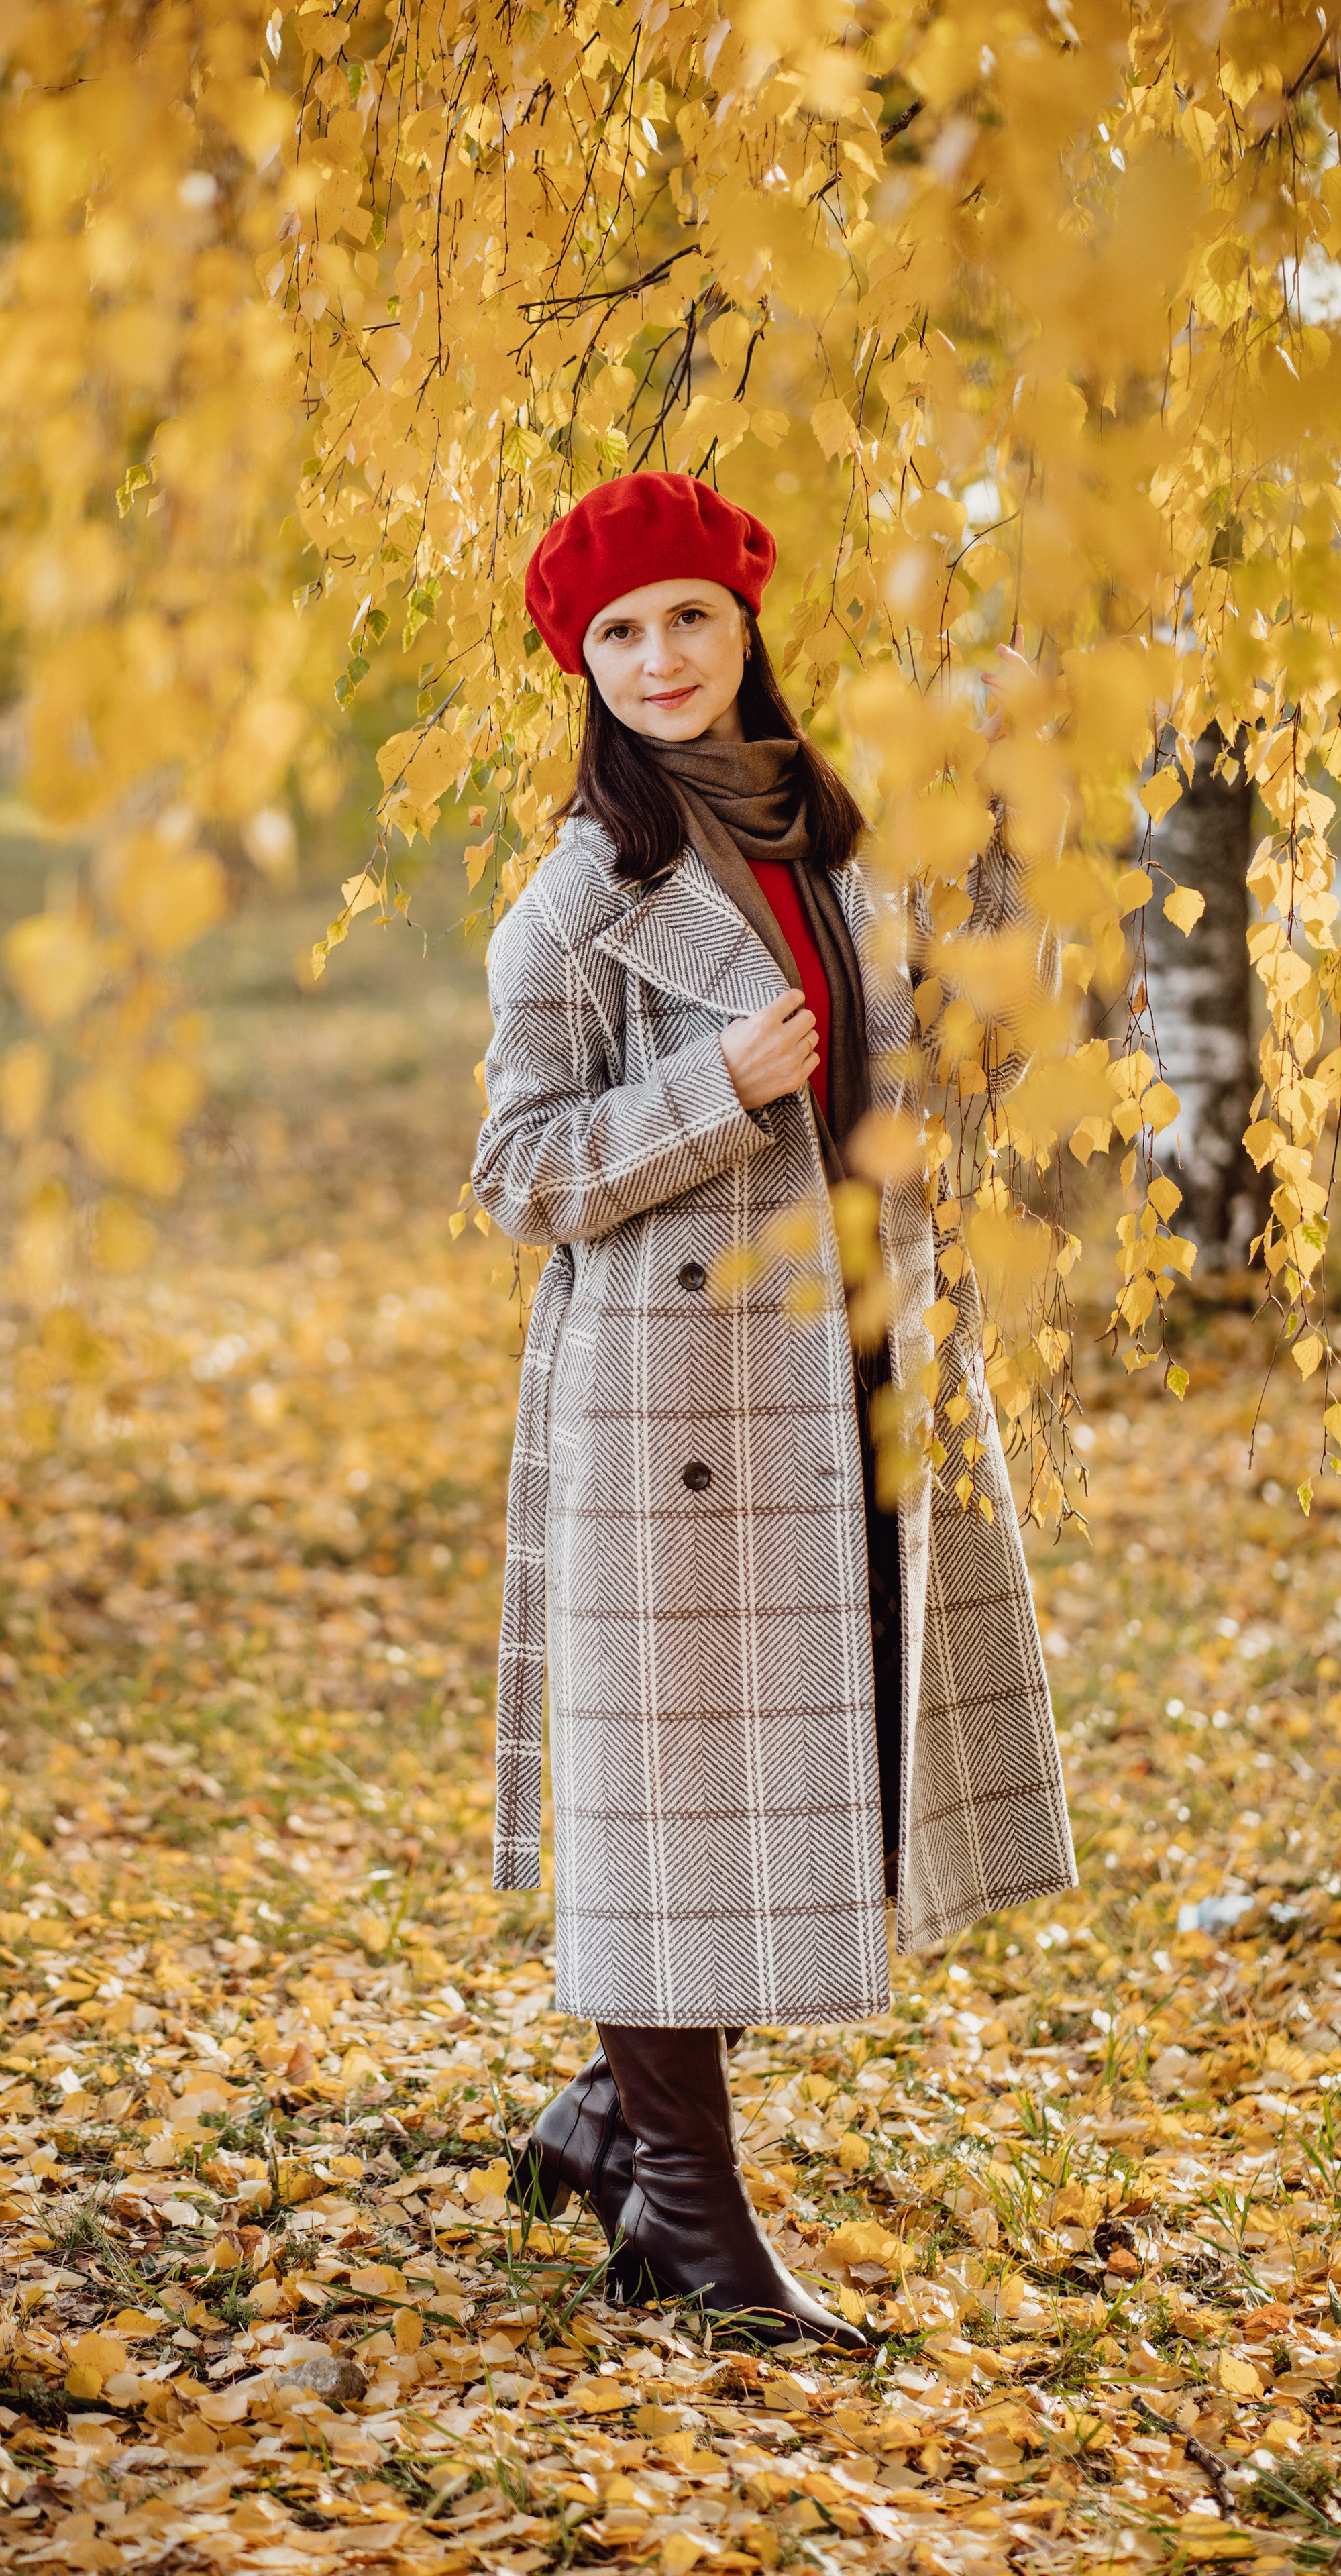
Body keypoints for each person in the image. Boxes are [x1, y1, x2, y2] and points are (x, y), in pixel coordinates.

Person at [470, 470, 1077, 2349]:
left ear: (747, 632)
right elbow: (514, 1172)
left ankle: (609, 2111)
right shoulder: (581, 899)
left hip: (854, 1354)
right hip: (676, 1395)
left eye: (690, 624)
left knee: (825, 1758)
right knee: (675, 1798)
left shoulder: (834, 837)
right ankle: (690, 2219)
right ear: (584, 665)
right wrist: (713, 1087)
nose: (659, 662)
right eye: (620, 636)